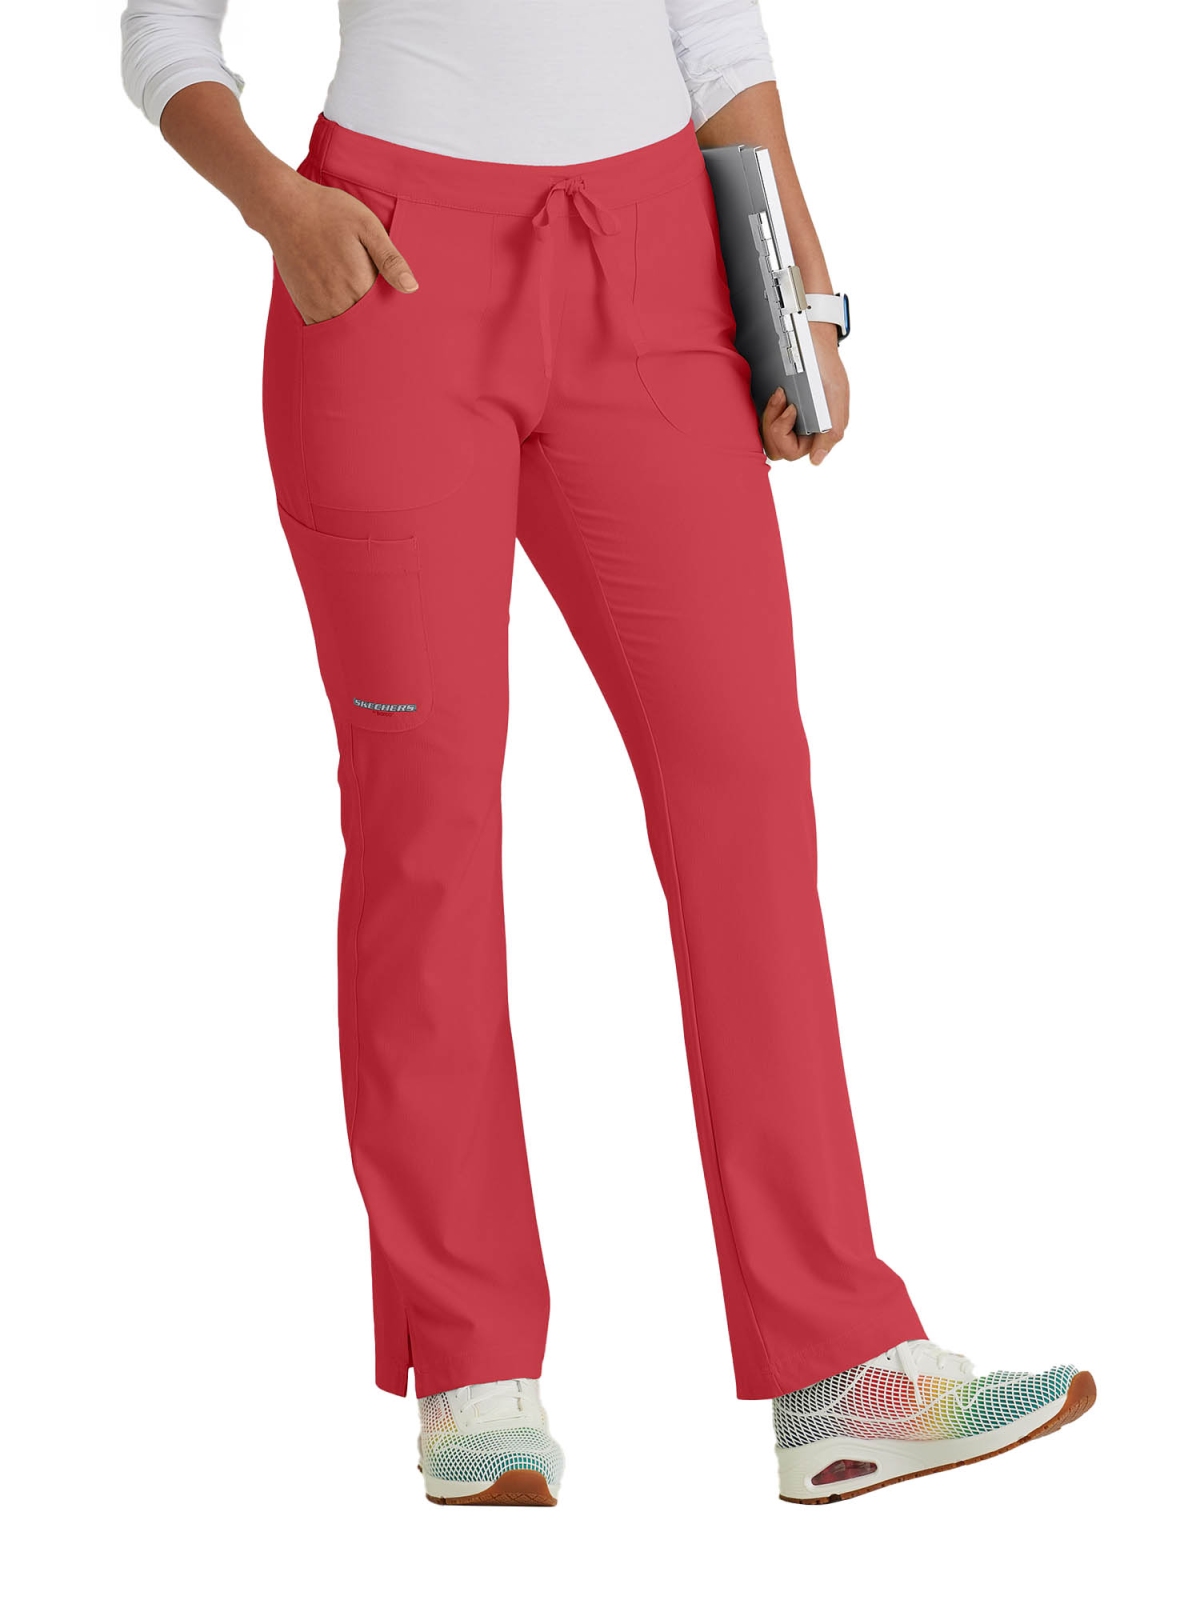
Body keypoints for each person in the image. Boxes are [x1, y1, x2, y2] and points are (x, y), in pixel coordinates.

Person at [120, 0, 1094, 1506]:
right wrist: (278, 206)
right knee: (427, 822)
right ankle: (472, 1373)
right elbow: (163, 34)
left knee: (747, 800)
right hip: (381, 262)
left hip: (656, 270)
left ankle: (842, 1371)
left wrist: (799, 295)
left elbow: (718, 40)